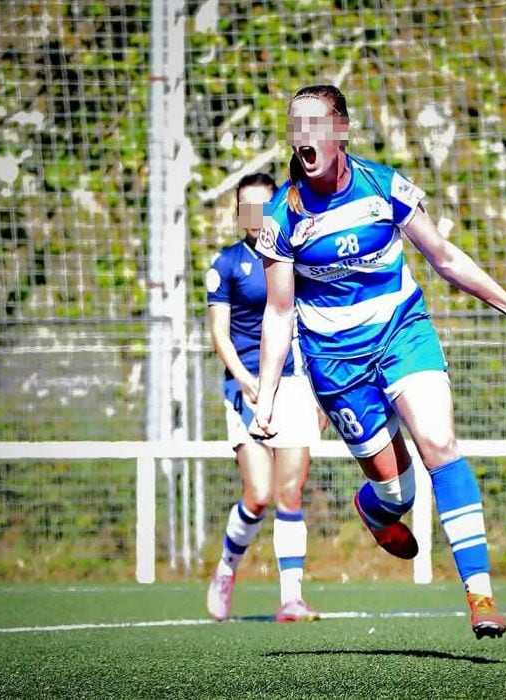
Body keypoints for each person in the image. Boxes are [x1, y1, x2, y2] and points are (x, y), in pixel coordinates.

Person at [252, 85, 506, 640]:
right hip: (336, 366)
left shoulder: (383, 187)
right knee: (398, 495)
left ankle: (480, 595)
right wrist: (266, 400)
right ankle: (377, 510)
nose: (304, 136)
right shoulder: (280, 216)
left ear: (341, 130)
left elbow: (444, 257)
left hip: (401, 334)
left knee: (438, 443)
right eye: (296, 126)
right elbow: (278, 311)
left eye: (316, 124)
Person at [205, 172, 322, 623]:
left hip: (292, 384)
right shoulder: (227, 265)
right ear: (238, 213)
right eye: (246, 207)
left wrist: (318, 391)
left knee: (289, 492)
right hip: (247, 387)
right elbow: (220, 333)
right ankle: (225, 569)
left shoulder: (297, 257)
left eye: (262, 205)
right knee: (258, 494)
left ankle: (291, 599)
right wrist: (245, 379)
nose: (255, 216)